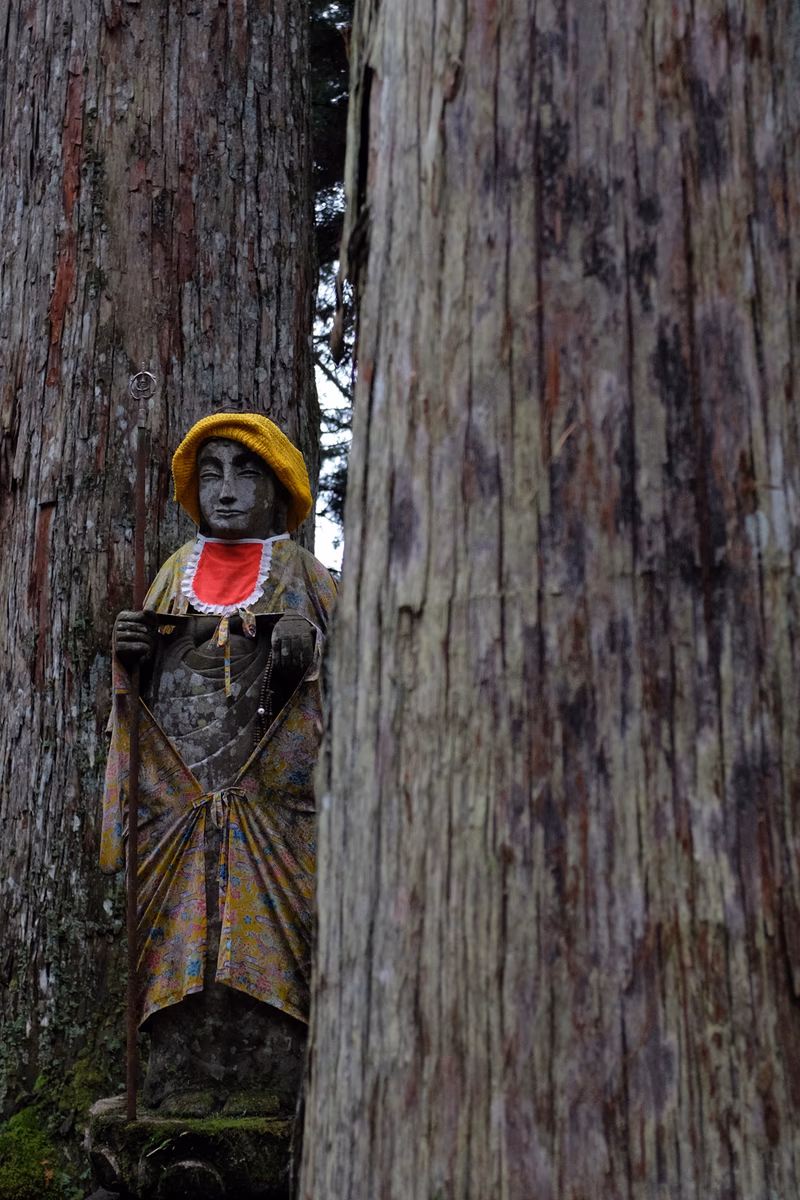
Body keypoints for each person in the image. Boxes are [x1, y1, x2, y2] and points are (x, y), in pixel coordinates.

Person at [101, 411, 336, 1114]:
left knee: (269, 935)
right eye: (211, 472)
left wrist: (310, 650)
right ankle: (175, 1081)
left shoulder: (302, 575)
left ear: (278, 487)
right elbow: (141, 695)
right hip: (180, 800)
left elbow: (358, 677)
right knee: (181, 934)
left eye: (246, 472)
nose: (227, 490)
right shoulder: (175, 575)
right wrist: (132, 653)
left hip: (275, 802)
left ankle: (272, 1081)